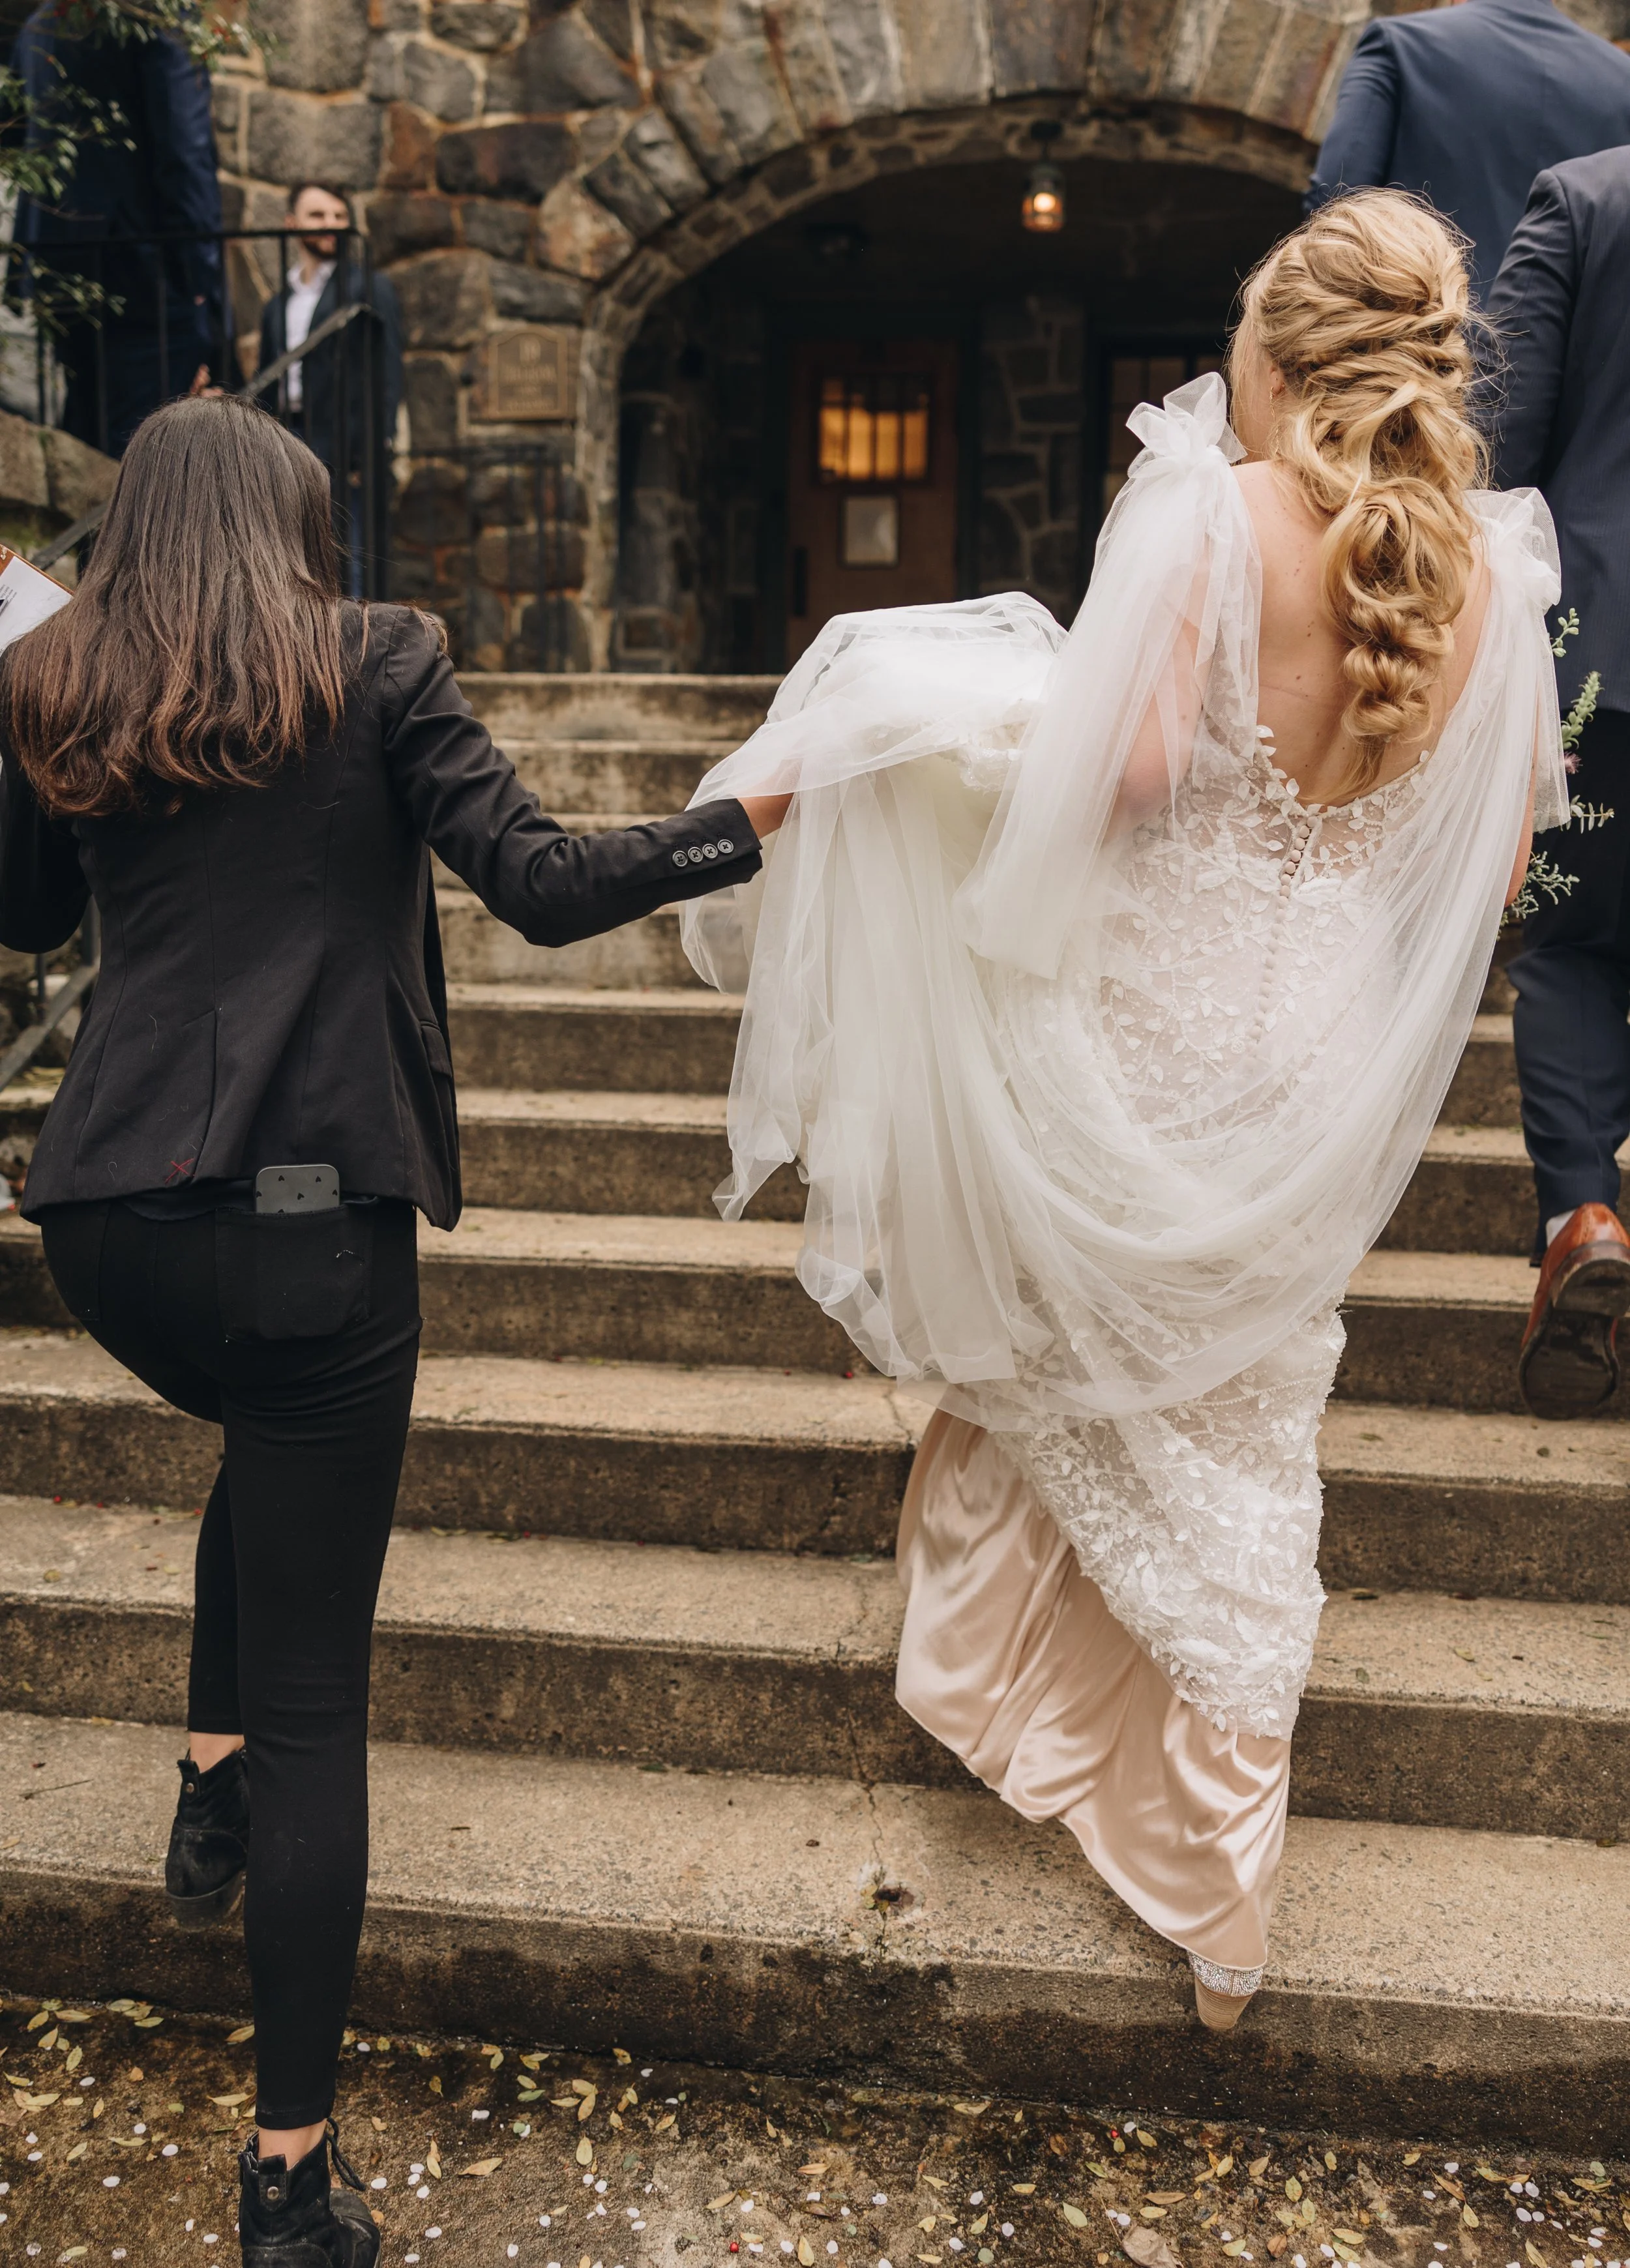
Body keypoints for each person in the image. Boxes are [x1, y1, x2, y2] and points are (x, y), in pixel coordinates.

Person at [678, 193, 1561, 2029]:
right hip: (1312, 1047)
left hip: (1152, 1019)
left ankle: (1038, 1713)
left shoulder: (1216, 523)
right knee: (1240, 1407)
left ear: (1283, 353)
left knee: (1059, 1337)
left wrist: (981, 751)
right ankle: (1188, 1825)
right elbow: (1488, 880)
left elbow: (1132, 770)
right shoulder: (1496, 575)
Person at [0, 394, 780, 2265]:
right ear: (298, 526)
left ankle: (205, 1787)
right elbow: (536, 878)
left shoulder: (62, 685)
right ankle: (285, 2172)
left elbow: (24, 919)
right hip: (300, 1231)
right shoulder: (375, 662)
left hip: (106, 1228)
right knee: (318, 1702)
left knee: (259, 1452)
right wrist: (737, 824)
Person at [1487, 145, 1630, 1417]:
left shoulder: (1582, 199)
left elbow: (1507, 445)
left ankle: (1581, 1211)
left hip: (1597, 652)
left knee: (1572, 950)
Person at [1304, 0, 1630, 301]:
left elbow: (1335, 205)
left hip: (1410, 340)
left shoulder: (1402, 44)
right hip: (1549, 352)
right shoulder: (1622, 84)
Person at [10, 3, 228, 452]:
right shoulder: (155, 17)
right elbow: (184, 152)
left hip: (60, 266)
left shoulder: (40, 23)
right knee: (149, 444)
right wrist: (201, 275)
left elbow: (15, 136)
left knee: (88, 431)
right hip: (145, 268)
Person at [259, 183, 404, 596]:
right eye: (319, 216)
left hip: (346, 439)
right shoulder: (278, 302)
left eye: (340, 217)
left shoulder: (369, 287)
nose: (333, 226)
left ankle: (355, 654)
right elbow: (270, 375)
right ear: (292, 225)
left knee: (351, 552)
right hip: (288, 437)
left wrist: (376, 444)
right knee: (293, 554)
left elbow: (388, 371)